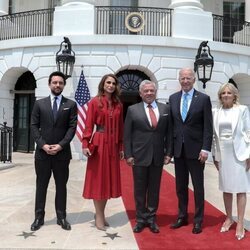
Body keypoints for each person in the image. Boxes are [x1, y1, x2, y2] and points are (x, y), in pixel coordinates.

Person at [30, 71, 77, 231]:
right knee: (41, 186)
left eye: (60, 83)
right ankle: (38, 217)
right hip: (42, 154)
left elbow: (72, 128)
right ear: (49, 84)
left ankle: (61, 217)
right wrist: (43, 145)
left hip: (62, 154)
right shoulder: (39, 104)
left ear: (64, 85)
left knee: (61, 186)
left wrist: (60, 145)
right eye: (55, 82)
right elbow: (34, 126)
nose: (58, 85)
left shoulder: (70, 105)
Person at [124, 80, 172, 233]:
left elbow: (169, 134)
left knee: (154, 189)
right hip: (139, 156)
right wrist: (128, 154)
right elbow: (127, 135)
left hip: (158, 156)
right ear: (140, 93)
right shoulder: (132, 110)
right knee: (139, 190)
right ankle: (140, 219)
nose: (149, 93)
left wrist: (168, 153)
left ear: (156, 92)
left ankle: (151, 218)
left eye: (152, 90)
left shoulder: (166, 109)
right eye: (146, 91)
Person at [169, 68, 213, 234]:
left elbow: (208, 127)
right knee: (180, 187)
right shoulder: (173, 99)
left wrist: (205, 148)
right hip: (179, 151)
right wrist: (170, 150)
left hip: (197, 152)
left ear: (194, 80)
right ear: (179, 80)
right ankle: (182, 216)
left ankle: (198, 220)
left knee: (198, 187)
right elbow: (172, 126)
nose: (185, 81)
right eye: (183, 78)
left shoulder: (203, 99)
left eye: (188, 78)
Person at [82, 74, 124, 231]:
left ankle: (101, 214)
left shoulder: (118, 104)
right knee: (99, 180)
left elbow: (121, 127)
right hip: (99, 143)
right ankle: (99, 216)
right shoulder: (95, 102)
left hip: (113, 145)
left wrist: (121, 147)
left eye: (113, 83)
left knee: (108, 181)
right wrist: (85, 143)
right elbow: (88, 125)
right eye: (108, 82)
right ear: (103, 84)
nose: (111, 85)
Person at [212, 83, 250, 240]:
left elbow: (248, 131)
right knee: (226, 188)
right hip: (223, 153)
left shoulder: (242, 110)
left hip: (240, 154)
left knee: (241, 189)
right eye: (223, 93)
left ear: (235, 95)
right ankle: (229, 217)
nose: (226, 95)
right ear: (220, 96)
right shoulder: (216, 112)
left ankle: (240, 222)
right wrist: (215, 155)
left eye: (229, 92)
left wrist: (249, 154)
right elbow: (214, 136)